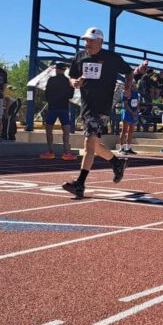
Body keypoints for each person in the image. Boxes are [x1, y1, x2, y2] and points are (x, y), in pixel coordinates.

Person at [61, 27, 133, 199]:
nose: (88, 44)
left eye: (91, 41)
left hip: (102, 106)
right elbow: (71, 77)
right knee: (93, 145)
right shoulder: (80, 56)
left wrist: (128, 89)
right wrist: (74, 82)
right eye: (86, 40)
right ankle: (117, 163)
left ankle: (80, 184)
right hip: (86, 105)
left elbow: (129, 72)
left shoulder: (111, 57)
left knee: (88, 144)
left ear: (101, 41)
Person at [41, 63, 75, 160]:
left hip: (53, 107)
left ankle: (50, 151)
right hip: (64, 107)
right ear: (64, 70)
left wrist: (51, 100)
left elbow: (46, 94)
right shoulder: (68, 81)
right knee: (66, 131)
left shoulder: (51, 80)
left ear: (56, 69)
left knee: (49, 129)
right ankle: (66, 152)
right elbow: (71, 95)